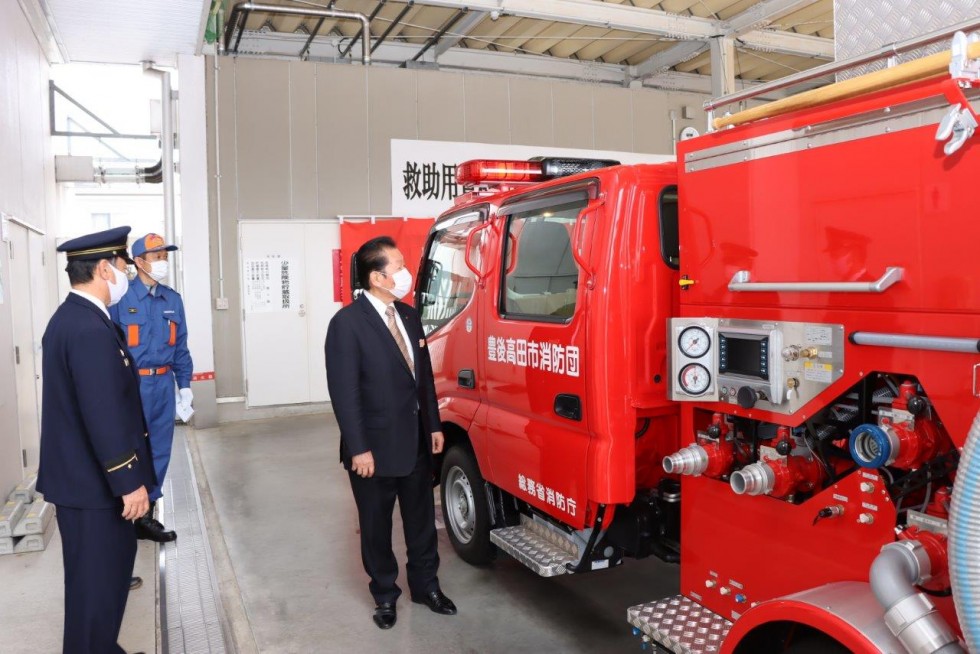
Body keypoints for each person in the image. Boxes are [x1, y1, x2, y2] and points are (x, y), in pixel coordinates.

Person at [325, 236, 457, 630]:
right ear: (378, 277)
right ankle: (385, 594)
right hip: (374, 451)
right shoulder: (347, 324)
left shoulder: (409, 316)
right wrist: (359, 449)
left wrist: (433, 424)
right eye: (398, 266)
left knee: (420, 522)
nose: (406, 273)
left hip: (415, 440)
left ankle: (426, 586)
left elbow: (423, 381)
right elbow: (344, 394)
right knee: (377, 526)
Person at [37, 226, 156, 654]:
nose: (125, 272)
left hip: (87, 482)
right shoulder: (86, 328)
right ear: (105, 268)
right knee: (95, 589)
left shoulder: (77, 318)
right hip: (94, 487)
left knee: (102, 586)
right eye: (123, 265)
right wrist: (129, 482)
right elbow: (101, 412)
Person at [110, 233, 193, 543]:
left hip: (163, 383)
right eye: (158, 256)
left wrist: (184, 386)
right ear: (140, 261)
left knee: (159, 448)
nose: (163, 261)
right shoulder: (121, 300)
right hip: (133, 385)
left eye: (165, 255)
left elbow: (181, 346)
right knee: (129, 450)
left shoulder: (173, 299)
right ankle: (124, 511)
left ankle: (147, 516)